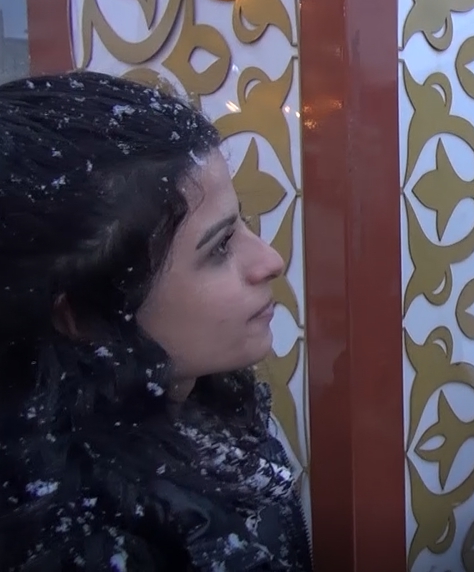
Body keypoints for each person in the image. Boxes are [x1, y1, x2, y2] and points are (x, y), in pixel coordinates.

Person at [0, 73, 313, 570]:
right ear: (81, 317)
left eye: (242, 222)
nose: (270, 261)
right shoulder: (79, 544)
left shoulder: (205, 408)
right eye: (220, 247)